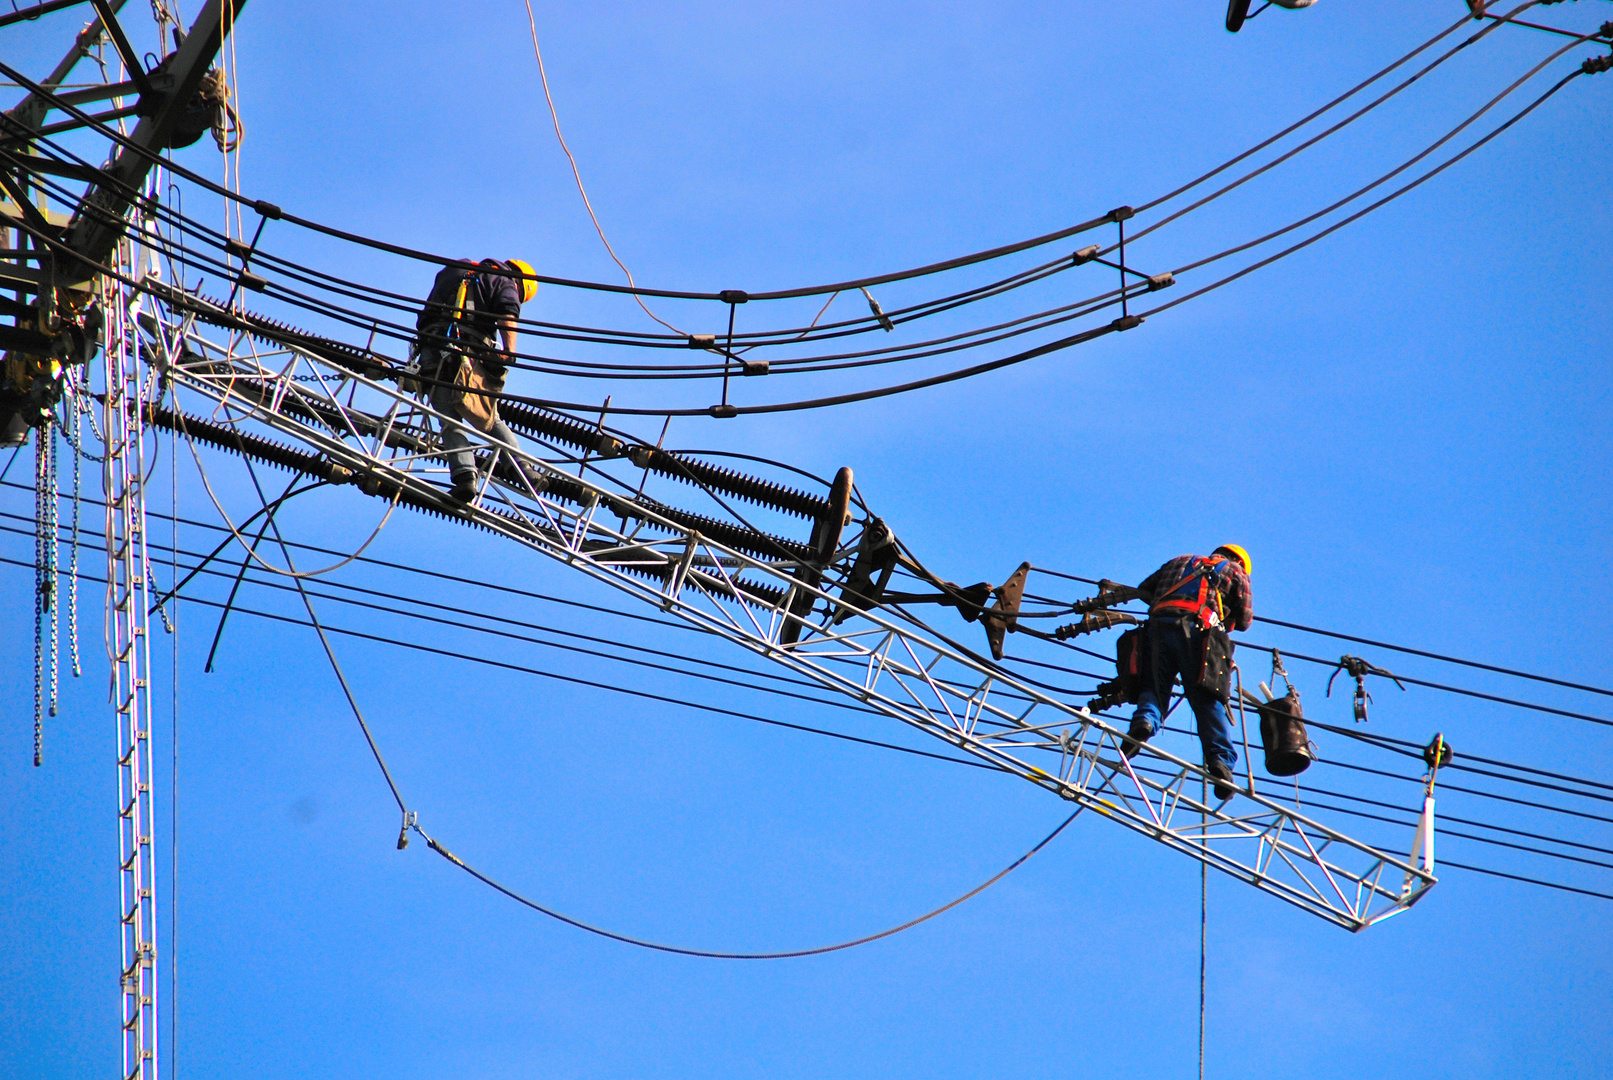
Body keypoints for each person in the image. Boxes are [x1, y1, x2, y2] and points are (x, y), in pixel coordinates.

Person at [1122, 544, 1253, 802]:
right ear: (1238, 560)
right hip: (1198, 633)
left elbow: (1145, 590)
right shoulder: (1237, 572)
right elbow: (1245, 620)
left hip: (1158, 628)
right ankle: (1220, 763)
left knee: (1155, 687)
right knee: (1207, 697)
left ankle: (1144, 722)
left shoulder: (1180, 559)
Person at [415, 257, 539, 503]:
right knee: (486, 413)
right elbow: (507, 313)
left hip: (431, 350)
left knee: (448, 416)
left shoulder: (454, 269)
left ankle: (465, 478)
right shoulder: (503, 280)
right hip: (468, 353)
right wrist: (508, 351)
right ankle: (520, 466)